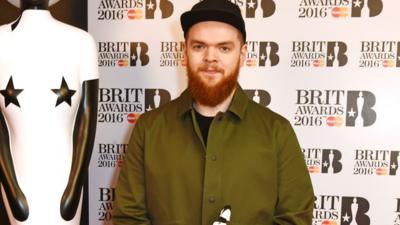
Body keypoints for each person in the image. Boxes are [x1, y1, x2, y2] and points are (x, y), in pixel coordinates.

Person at [112, 0, 314, 224]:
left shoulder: (278, 132)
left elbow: (295, 218)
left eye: (224, 48)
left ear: (242, 53)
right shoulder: (149, 128)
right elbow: (128, 217)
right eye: (199, 46)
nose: (210, 57)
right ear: (184, 51)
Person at [0, 0, 98, 224]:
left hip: (65, 174)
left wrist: (74, 186)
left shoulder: (82, 43)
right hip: (17, 171)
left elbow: (87, 120)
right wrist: (12, 187)